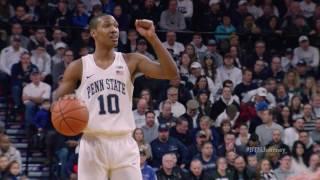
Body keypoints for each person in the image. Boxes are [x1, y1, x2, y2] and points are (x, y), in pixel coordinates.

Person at [54, 15, 178, 180]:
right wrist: (66, 110)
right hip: (93, 142)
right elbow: (57, 104)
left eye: (116, 26)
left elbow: (171, 73)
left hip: (124, 142)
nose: (114, 30)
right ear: (93, 33)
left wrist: (152, 38)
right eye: (107, 25)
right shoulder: (78, 67)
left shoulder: (131, 60)